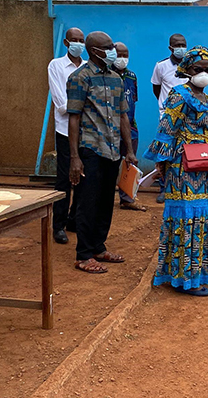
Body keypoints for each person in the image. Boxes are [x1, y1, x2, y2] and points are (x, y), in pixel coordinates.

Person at [144, 46, 208, 296]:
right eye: (199, 69)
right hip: (181, 167)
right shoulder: (179, 95)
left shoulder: (207, 99)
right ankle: (183, 278)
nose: (205, 74)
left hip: (202, 168)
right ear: (187, 70)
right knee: (185, 219)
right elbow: (166, 129)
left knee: (199, 216)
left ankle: (195, 272)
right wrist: (161, 164)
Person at [67, 31, 138, 274]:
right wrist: (75, 157)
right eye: (107, 48)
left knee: (107, 201)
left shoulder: (117, 80)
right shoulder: (80, 78)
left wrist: (129, 150)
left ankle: (98, 246)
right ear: (94, 51)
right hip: (90, 149)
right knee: (88, 202)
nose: (113, 52)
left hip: (112, 150)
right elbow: (74, 119)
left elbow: (123, 116)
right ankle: (83, 255)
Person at [47, 27, 85, 245]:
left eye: (81, 40)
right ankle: (58, 225)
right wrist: (81, 106)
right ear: (66, 42)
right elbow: (61, 104)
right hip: (64, 131)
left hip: (85, 132)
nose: (78, 44)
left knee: (83, 179)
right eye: (74, 40)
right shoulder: (56, 66)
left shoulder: (88, 67)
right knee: (64, 179)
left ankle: (74, 220)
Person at [150, 33, 189, 203]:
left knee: (186, 154)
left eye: (183, 44)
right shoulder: (161, 66)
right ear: (170, 48)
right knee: (165, 154)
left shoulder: (190, 65)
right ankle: (163, 189)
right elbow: (156, 89)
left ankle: (183, 188)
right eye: (177, 45)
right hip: (167, 118)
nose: (181, 48)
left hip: (188, 117)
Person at [113, 42, 146, 211]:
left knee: (129, 162)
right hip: (110, 128)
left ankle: (127, 198)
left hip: (130, 127)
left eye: (125, 55)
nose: (122, 59)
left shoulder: (132, 76)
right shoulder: (107, 75)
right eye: (119, 55)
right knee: (110, 163)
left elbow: (133, 101)